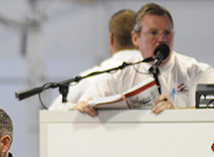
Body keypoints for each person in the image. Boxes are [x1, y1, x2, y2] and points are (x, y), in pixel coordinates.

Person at [76, 3, 214, 116]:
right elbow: (90, 100)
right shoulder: (122, 72)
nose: (162, 39)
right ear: (135, 38)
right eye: (153, 33)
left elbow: (210, 112)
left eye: (167, 33)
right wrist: (83, 106)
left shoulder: (196, 71)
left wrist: (175, 113)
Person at [50, 9, 141, 109]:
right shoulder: (155, 74)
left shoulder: (89, 78)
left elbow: (53, 112)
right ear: (138, 38)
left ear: (110, 39)